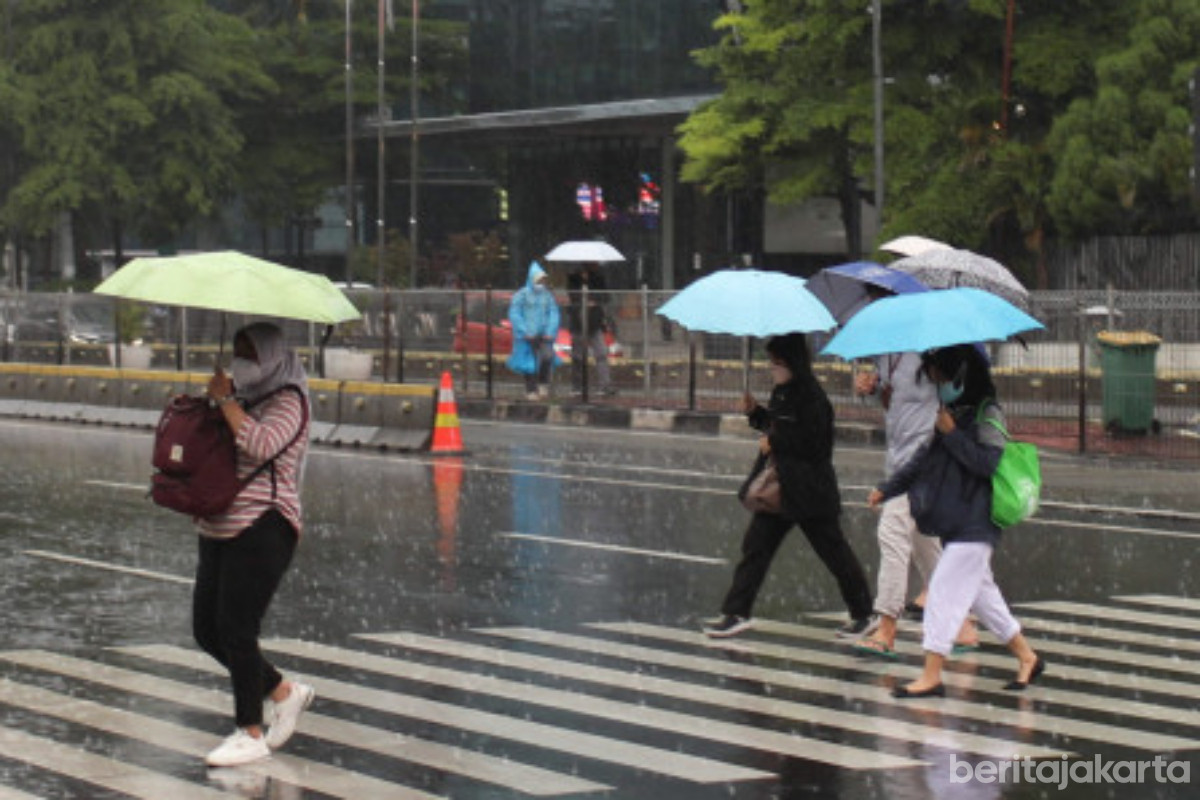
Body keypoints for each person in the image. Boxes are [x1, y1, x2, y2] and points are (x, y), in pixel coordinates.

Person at [869, 344, 1043, 698]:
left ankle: (932, 674)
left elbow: (986, 463)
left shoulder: (987, 413)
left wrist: (952, 434)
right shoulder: (951, 411)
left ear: (962, 375)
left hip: (977, 522)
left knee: (943, 593)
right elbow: (922, 461)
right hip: (957, 522)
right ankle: (1028, 658)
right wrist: (888, 489)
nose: (937, 385)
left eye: (940, 377)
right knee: (984, 598)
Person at [197, 322, 314, 767]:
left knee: (237, 629)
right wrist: (211, 402)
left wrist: (226, 402)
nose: (244, 360)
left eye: (252, 352)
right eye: (238, 351)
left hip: (265, 524)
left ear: (273, 355)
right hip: (219, 520)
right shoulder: (241, 397)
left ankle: (249, 731)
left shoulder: (290, 400)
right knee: (206, 630)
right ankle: (283, 692)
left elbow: (261, 443)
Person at [705, 333, 876, 639]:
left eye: (778, 362)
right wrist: (755, 413)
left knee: (835, 553)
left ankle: (864, 613)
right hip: (781, 490)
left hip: (810, 493)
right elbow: (777, 425)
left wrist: (776, 441)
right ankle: (735, 612)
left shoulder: (812, 396)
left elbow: (814, 444)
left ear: (792, 361)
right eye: (771, 361)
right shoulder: (781, 392)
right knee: (755, 549)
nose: (773, 367)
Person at [851, 352, 979, 659]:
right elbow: (894, 405)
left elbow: (953, 394)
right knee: (925, 543)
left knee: (892, 531)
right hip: (898, 461)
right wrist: (873, 390)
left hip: (925, 461)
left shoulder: (931, 350)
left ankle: (886, 628)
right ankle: (960, 624)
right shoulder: (885, 356)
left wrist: (944, 375)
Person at [507, 262, 561, 400]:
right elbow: (515, 313)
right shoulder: (521, 295)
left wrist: (550, 330)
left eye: (543, 280)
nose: (541, 283)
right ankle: (531, 390)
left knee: (547, 357)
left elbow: (553, 313)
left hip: (544, 334)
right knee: (529, 364)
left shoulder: (547, 296)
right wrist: (523, 331)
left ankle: (543, 384)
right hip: (527, 335)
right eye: (539, 280)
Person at [566, 263, 614, 395]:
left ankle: (605, 385)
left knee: (601, 354)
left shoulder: (598, 278)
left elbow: (606, 297)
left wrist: (594, 300)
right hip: (578, 322)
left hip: (595, 322)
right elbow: (572, 296)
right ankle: (577, 386)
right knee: (578, 356)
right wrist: (583, 299)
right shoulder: (573, 279)